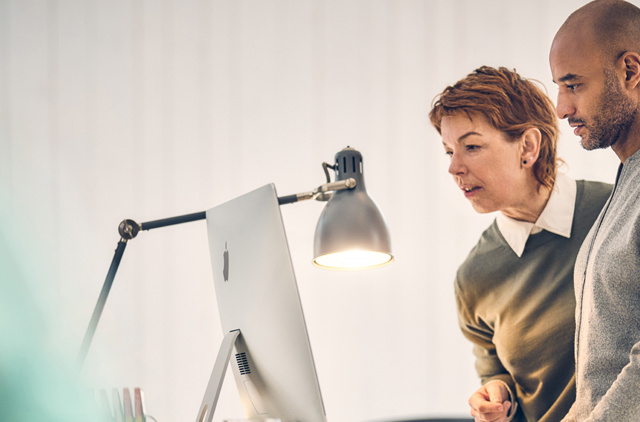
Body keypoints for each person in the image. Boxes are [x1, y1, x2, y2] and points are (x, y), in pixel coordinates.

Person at [429, 66, 612, 422]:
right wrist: (495, 397)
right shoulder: (474, 278)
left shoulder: (614, 211)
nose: (454, 167)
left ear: (528, 146)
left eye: (471, 146)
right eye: (449, 151)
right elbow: (496, 375)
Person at [549, 0, 640, 420]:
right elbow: (600, 380)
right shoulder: (626, 181)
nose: (561, 108)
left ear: (630, 71)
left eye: (574, 85)